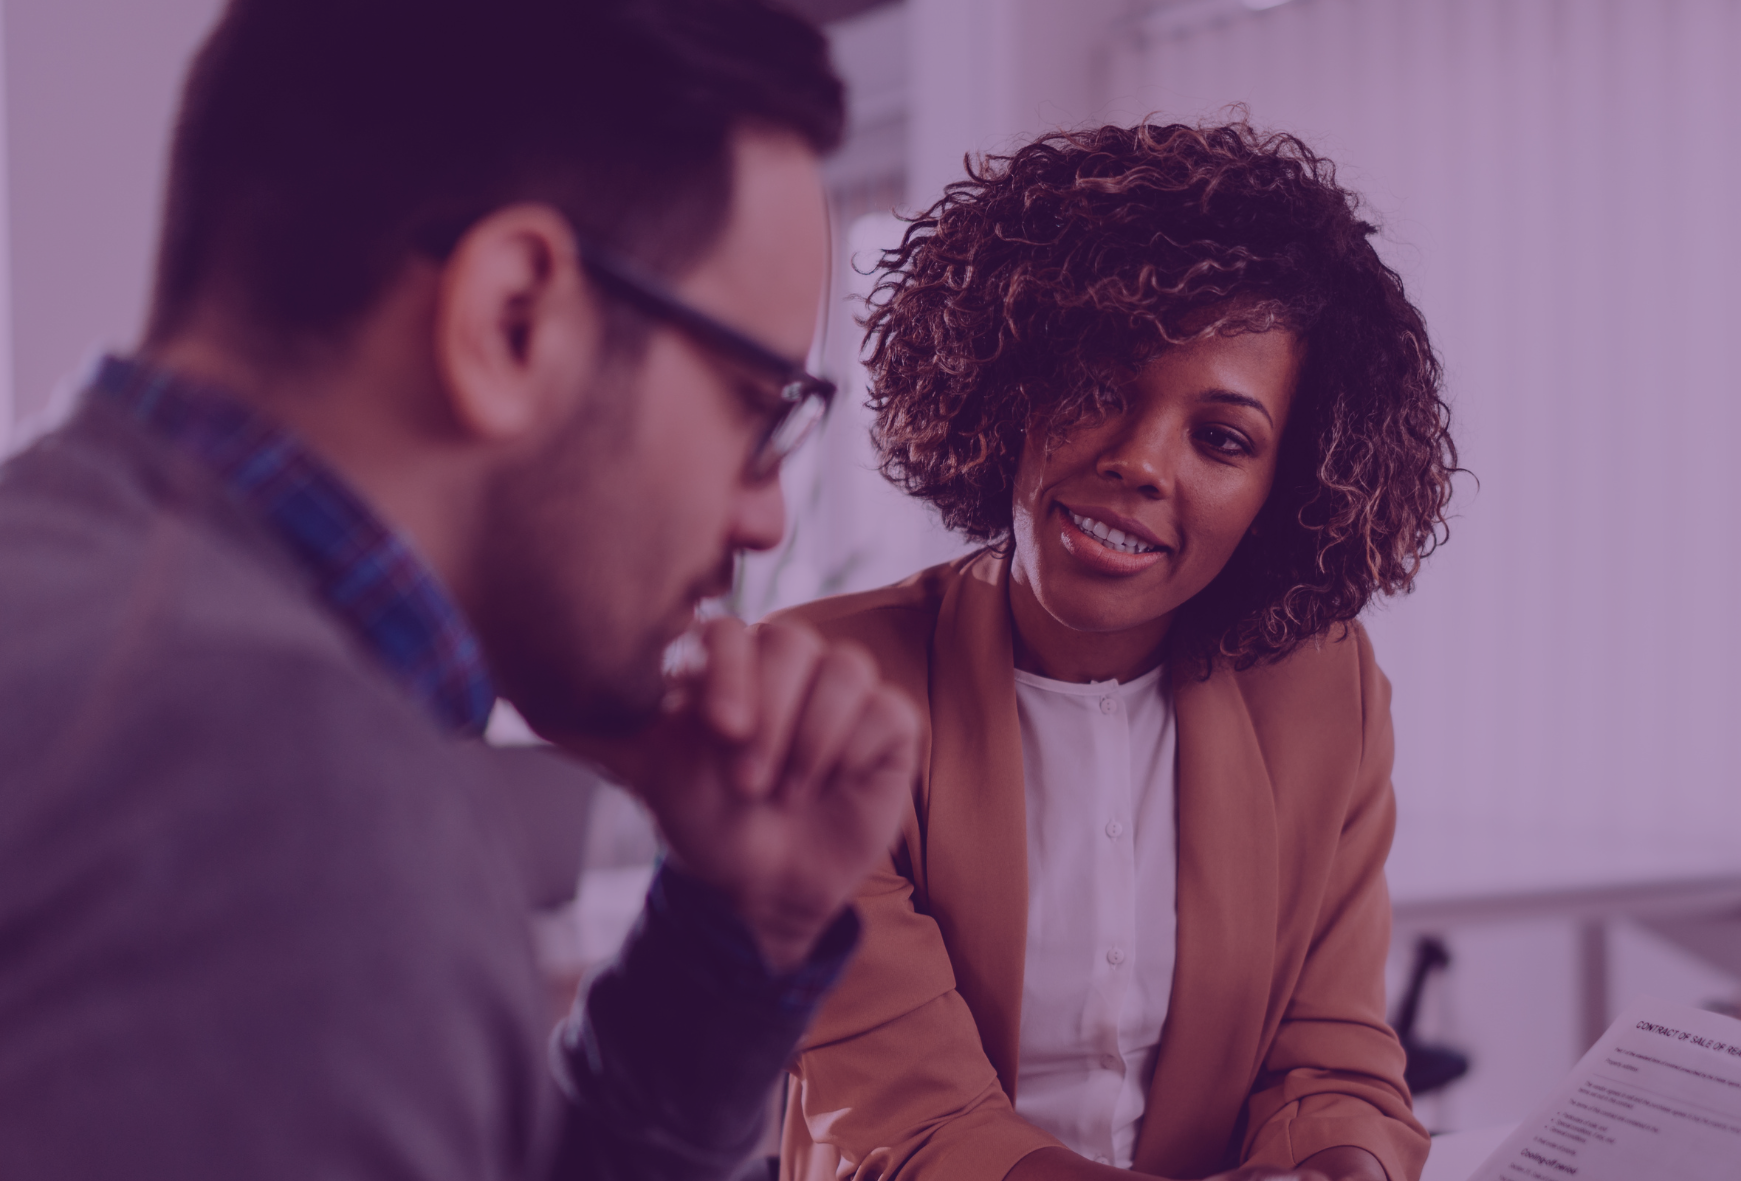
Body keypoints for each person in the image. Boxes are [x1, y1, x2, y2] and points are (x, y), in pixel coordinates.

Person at [0, 1, 919, 1178]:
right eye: (755, 405)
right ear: (511, 318)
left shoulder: (76, 596)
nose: (765, 514)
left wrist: (729, 942)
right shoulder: (292, 798)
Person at [772, 122, 1459, 1181]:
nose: (1137, 461)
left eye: (1220, 438)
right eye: (1099, 384)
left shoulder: (1323, 690)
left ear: (1284, 487)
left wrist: (1341, 1165)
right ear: (1013, 382)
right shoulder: (822, 687)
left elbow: (1329, 1062)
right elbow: (915, 1128)